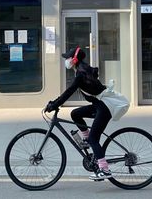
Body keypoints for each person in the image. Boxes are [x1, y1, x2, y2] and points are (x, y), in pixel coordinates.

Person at [45, 46, 113, 181]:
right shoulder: (82, 70)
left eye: (68, 58)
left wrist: (54, 105)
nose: (66, 60)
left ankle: (105, 170)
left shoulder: (81, 74)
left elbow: (69, 92)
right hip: (99, 106)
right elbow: (69, 92)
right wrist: (56, 102)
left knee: (95, 139)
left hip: (104, 108)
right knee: (75, 114)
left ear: (74, 59)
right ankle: (87, 140)